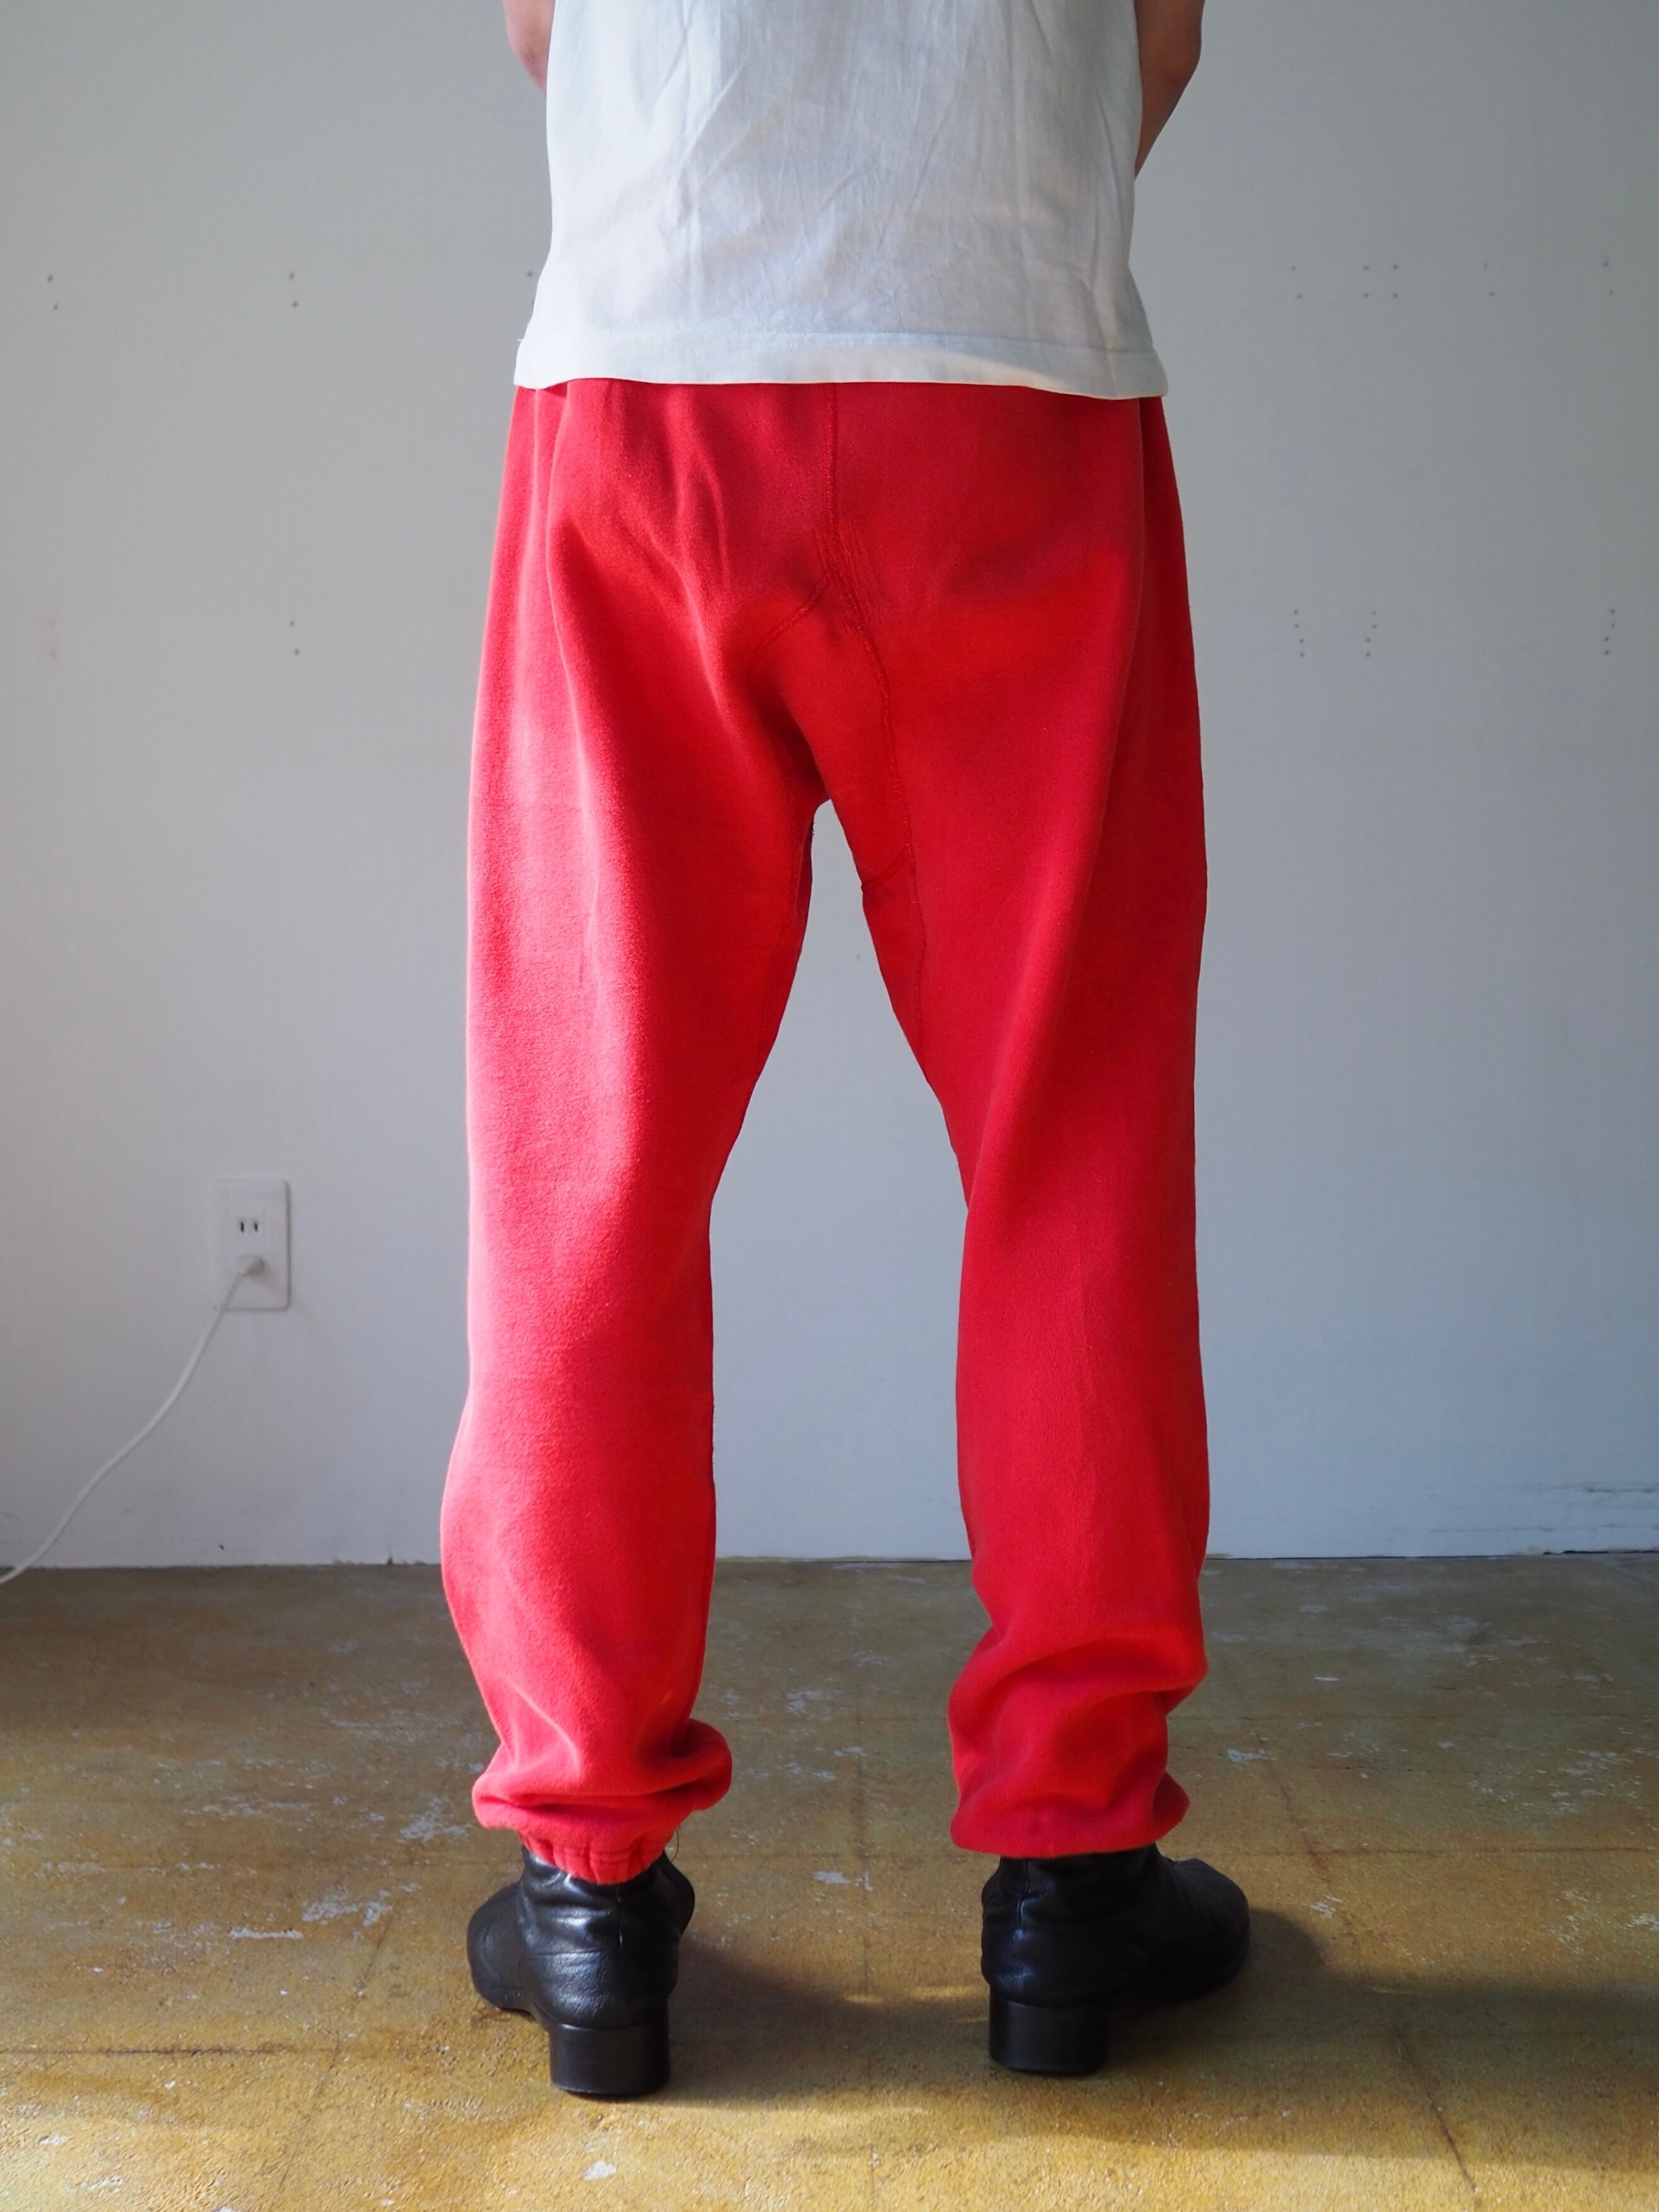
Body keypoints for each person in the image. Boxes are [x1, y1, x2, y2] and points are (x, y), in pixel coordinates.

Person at [443, 0, 1248, 2100]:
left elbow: (543, 28)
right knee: (1071, 1142)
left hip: (650, 368)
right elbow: (1159, 41)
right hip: (1011, 373)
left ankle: (591, 1891)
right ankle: (1073, 1871)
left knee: (588, 1157)